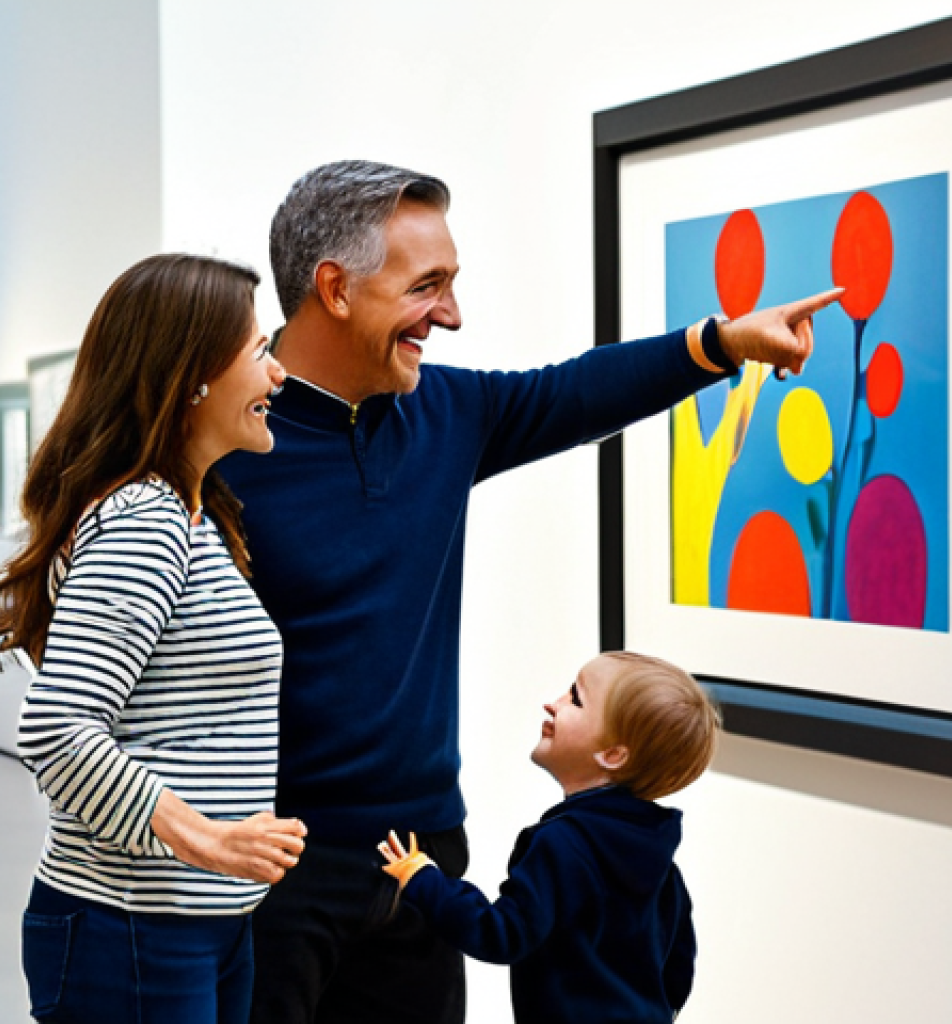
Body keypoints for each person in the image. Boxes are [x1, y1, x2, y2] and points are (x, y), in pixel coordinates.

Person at [218, 159, 841, 1024]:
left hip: (419, 856)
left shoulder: (447, 415)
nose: (451, 314)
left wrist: (724, 344)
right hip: (273, 858)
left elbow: (575, 390)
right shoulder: (222, 436)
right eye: (426, 286)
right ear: (334, 288)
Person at [0, 254, 309, 1024]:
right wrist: (206, 841)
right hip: (132, 929)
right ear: (192, 377)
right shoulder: (145, 521)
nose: (277, 376)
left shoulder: (197, 516)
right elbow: (57, 730)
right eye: (260, 352)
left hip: (196, 924)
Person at [379, 651, 717, 1024]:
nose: (552, 704)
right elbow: (678, 967)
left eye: (574, 698)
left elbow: (501, 933)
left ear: (613, 754)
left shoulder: (562, 845)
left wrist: (424, 878)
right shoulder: (660, 863)